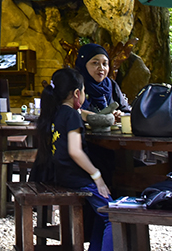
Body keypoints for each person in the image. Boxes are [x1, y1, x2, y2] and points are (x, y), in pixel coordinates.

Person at [31, 67, 113, 251]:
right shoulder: (72, 116)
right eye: (83, 91)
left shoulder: (53, 113)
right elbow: (75, 151)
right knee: (113, 215)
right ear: (77, 93)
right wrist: (97, 176)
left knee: (103, 214)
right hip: (76, 178)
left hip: (60, 175)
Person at [74, 43, 130, 121]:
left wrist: (121, 115)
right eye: (95, 63)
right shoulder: (75, 84)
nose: (101, 68)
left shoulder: (110, 84)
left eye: (105, 64)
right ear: (83, 64)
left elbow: (128, 111)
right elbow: (67, 113)